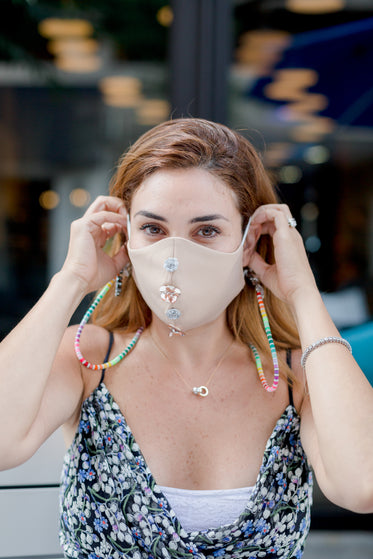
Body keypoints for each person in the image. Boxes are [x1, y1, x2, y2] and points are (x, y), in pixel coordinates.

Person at [0, 118, 372, 559]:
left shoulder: (295, 376)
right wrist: (71, 280)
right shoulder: (87, 356)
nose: (174, 257)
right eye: (154, 229)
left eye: (207, 230)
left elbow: (362, 485)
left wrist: (302, 293)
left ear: (252, 240)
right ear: (125, 235)